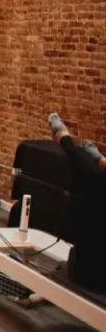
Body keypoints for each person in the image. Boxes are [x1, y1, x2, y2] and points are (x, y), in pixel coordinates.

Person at [48, 113, 106, 292]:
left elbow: (83, 169)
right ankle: (98, 159)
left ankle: (62, 137)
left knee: (91, 184)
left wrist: (64, 139)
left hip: (92, 277)